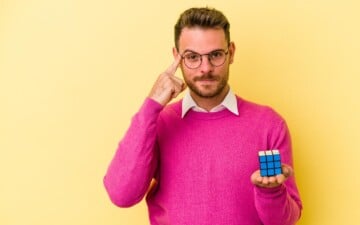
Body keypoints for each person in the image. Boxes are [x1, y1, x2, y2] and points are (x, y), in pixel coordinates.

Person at [104, 7, 302, 225]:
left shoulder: (268, 125)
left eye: (215, 55)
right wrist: (150, 107)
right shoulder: (159, 123)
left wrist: (271, 192)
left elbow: (286, 221)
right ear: (176, 57)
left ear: (231, 53)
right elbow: (122, 195)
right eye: (192, 57)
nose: (205, 68)